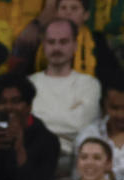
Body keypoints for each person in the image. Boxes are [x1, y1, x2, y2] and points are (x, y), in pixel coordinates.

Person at [29, 18, 102, 169]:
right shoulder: (29, 84)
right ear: (43, 45)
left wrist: (40, 119)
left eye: (63, 42)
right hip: (34, 158)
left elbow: (81, 125)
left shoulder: (89, 84)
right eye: (51, 42)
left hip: (74, 160)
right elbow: (26, 128)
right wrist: (68, 116)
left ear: (75, 46)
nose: (57, 47)